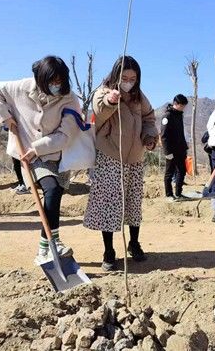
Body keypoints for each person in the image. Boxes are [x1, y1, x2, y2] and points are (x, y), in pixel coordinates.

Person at [0, 56, 81, 264]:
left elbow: (65, 135)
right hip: (26, 151)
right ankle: (53, 243)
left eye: (60, 81)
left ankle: (43, 248)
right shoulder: (21, 87)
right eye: (51, 81)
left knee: (55, 194)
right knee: (52, 189)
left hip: (56, 153)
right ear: (39, 79)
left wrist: (37, 149)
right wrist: (4, 116)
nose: (56, 86)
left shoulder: (70, 99)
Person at [83, 56, 158, 272]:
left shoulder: (138, 97)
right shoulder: (105, 92)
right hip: (110, 157)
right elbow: (99, 110)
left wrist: (149, 137)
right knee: (109, 205)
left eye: (133, 78)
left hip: (134, 159)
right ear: (116, 75)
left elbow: (149, 119)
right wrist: (110, 101)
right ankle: (109, 250)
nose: (128, 82)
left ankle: (134, 243)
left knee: (133, 203)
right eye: (124, 77)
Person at [161, 94, 189, 201]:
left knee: (182, 171)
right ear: (175, 104)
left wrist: (184, 147)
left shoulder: (179, 115)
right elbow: (164, 136)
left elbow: (181, 134)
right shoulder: (167, 116)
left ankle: (178, 193)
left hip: (181, 150)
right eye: (182, 106)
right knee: (169, 173)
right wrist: (167, 152)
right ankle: (169, 194)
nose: (183, 108)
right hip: (171, 151)